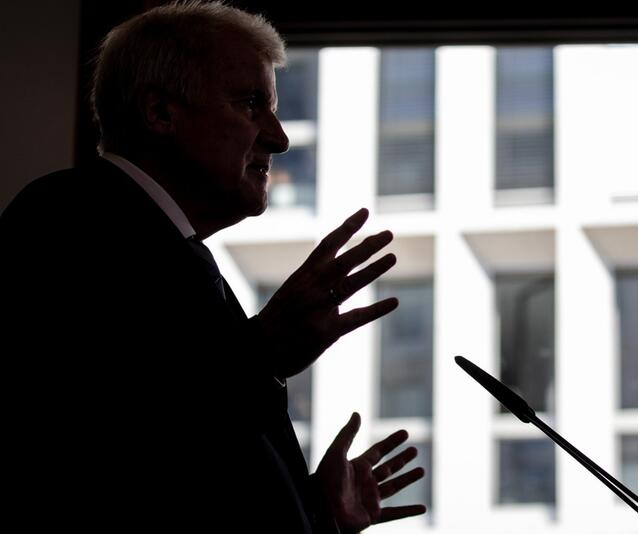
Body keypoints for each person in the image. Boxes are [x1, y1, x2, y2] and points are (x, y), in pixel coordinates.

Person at [0, 1, 425, 532]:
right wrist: (262, 350)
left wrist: (311, 510)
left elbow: (191, 467)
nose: (279, 137)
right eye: (250, 104)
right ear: (160, 113)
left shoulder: (176, 251)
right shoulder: (69, 217)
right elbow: (97, 446)